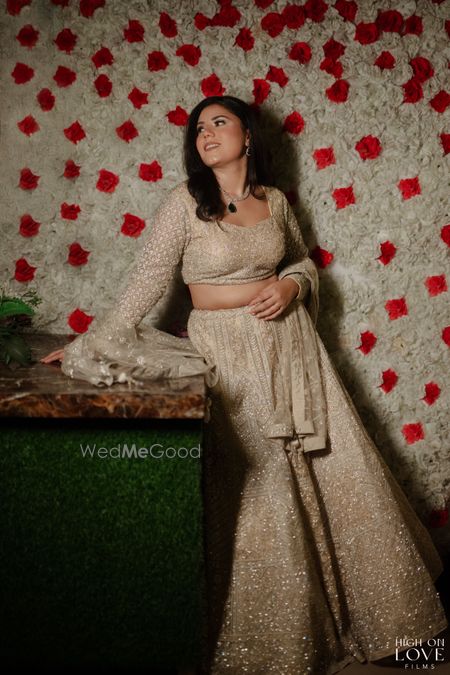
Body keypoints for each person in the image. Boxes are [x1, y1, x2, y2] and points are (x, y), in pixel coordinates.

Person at [41, 95, 448, 674]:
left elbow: (302, 263)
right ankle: (281, 645)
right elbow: (147, 279)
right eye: (198, 128)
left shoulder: (274, 201)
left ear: (248, 136)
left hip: (292, 348)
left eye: (220, 122)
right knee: (260, 486)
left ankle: (394, 630)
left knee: (338, 472)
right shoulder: (185, 202)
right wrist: (90, 345)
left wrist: (291, 287)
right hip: (228, 355)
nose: (206, 133)